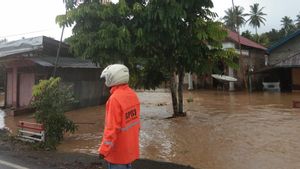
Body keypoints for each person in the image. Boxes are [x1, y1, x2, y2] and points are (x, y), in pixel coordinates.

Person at [98, 64, 140, 169]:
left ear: (113, 78)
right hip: (129, 151)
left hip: (117, 154)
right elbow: (136, 124)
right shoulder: (132, 95)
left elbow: (111, 129)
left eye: (106, 78)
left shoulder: (114, 99)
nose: (105, 82)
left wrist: (103, 150)